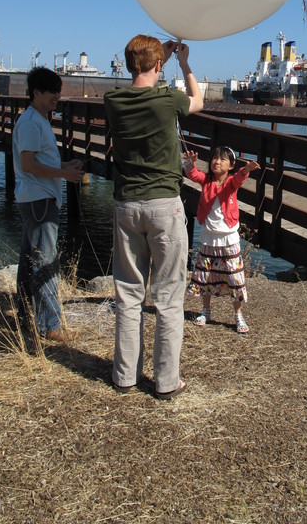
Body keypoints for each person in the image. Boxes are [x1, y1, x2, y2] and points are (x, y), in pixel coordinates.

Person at [104, 35, 203, 399]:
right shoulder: (168, 100)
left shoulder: (112, 100)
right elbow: (199, 101)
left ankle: (124, 375)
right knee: (168, 297)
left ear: (129, 64)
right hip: (164, 205)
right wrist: (185, 63)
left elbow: (141, 81)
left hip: (126, 205)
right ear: (158, 65)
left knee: (128, 294)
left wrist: (156, 54)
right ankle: (165, 381)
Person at [13, 67, 85, 342]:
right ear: (36, 93)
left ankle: (25, 317)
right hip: (40, 199)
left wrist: (65, 165)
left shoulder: (37, 118)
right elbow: (29, 164)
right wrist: (64, 174)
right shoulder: (32, 122)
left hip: (35, 198)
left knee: (29, 261)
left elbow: (37, 162)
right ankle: (50, 325)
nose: (57, 96)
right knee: (46, 262)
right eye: (52, 91)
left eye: (59, 90)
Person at [183, 146, 260, 334]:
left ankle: (238, 316)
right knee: (205, 276)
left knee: (234, 278)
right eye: (215, 158)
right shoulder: (206, 180)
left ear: (231, 165)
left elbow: (239, 177)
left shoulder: (231, 182)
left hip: (228, 238)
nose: (217, 162)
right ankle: (205, 311)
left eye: (223, 159)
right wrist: (189, 162)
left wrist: (247, 169)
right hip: (209, 237)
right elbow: (193, 175)